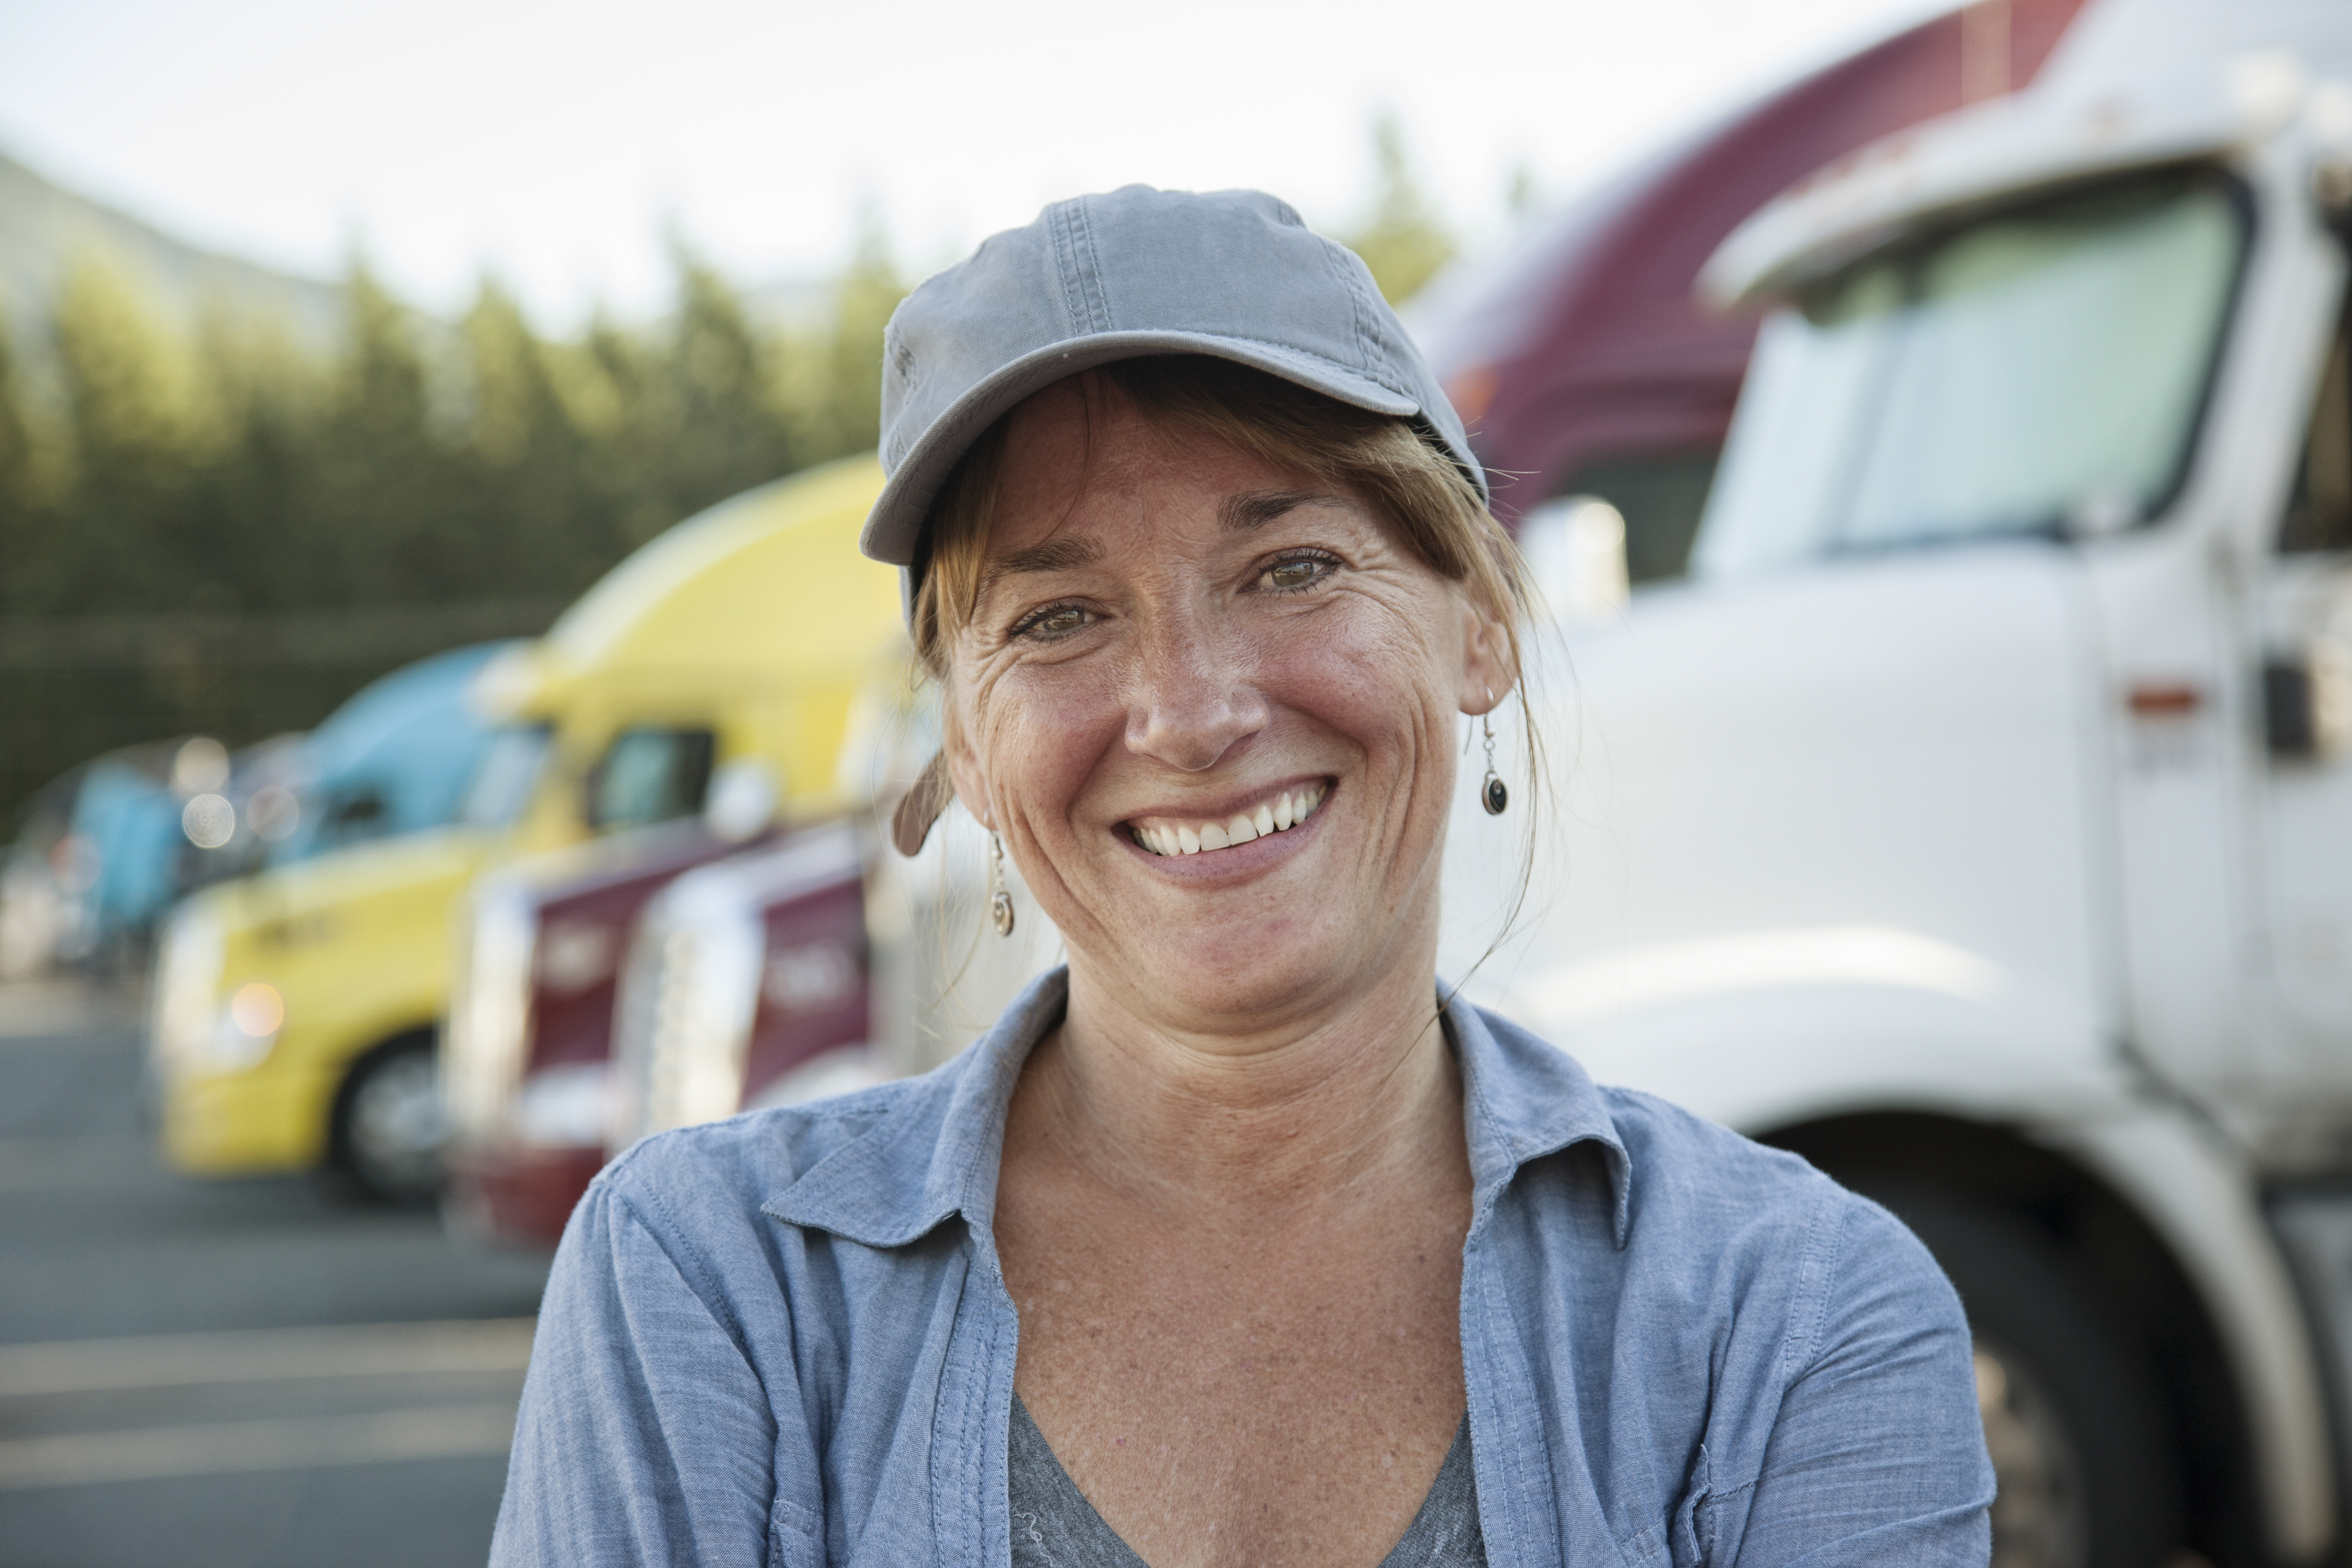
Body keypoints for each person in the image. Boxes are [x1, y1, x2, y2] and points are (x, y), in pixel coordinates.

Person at [491, 186, 1994, 1568]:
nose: (1192, 714)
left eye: (1291, 570)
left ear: (1477, 619)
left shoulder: (1792, 1319)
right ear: (962, 734)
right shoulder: (706, 1291)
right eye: (1061, 618)